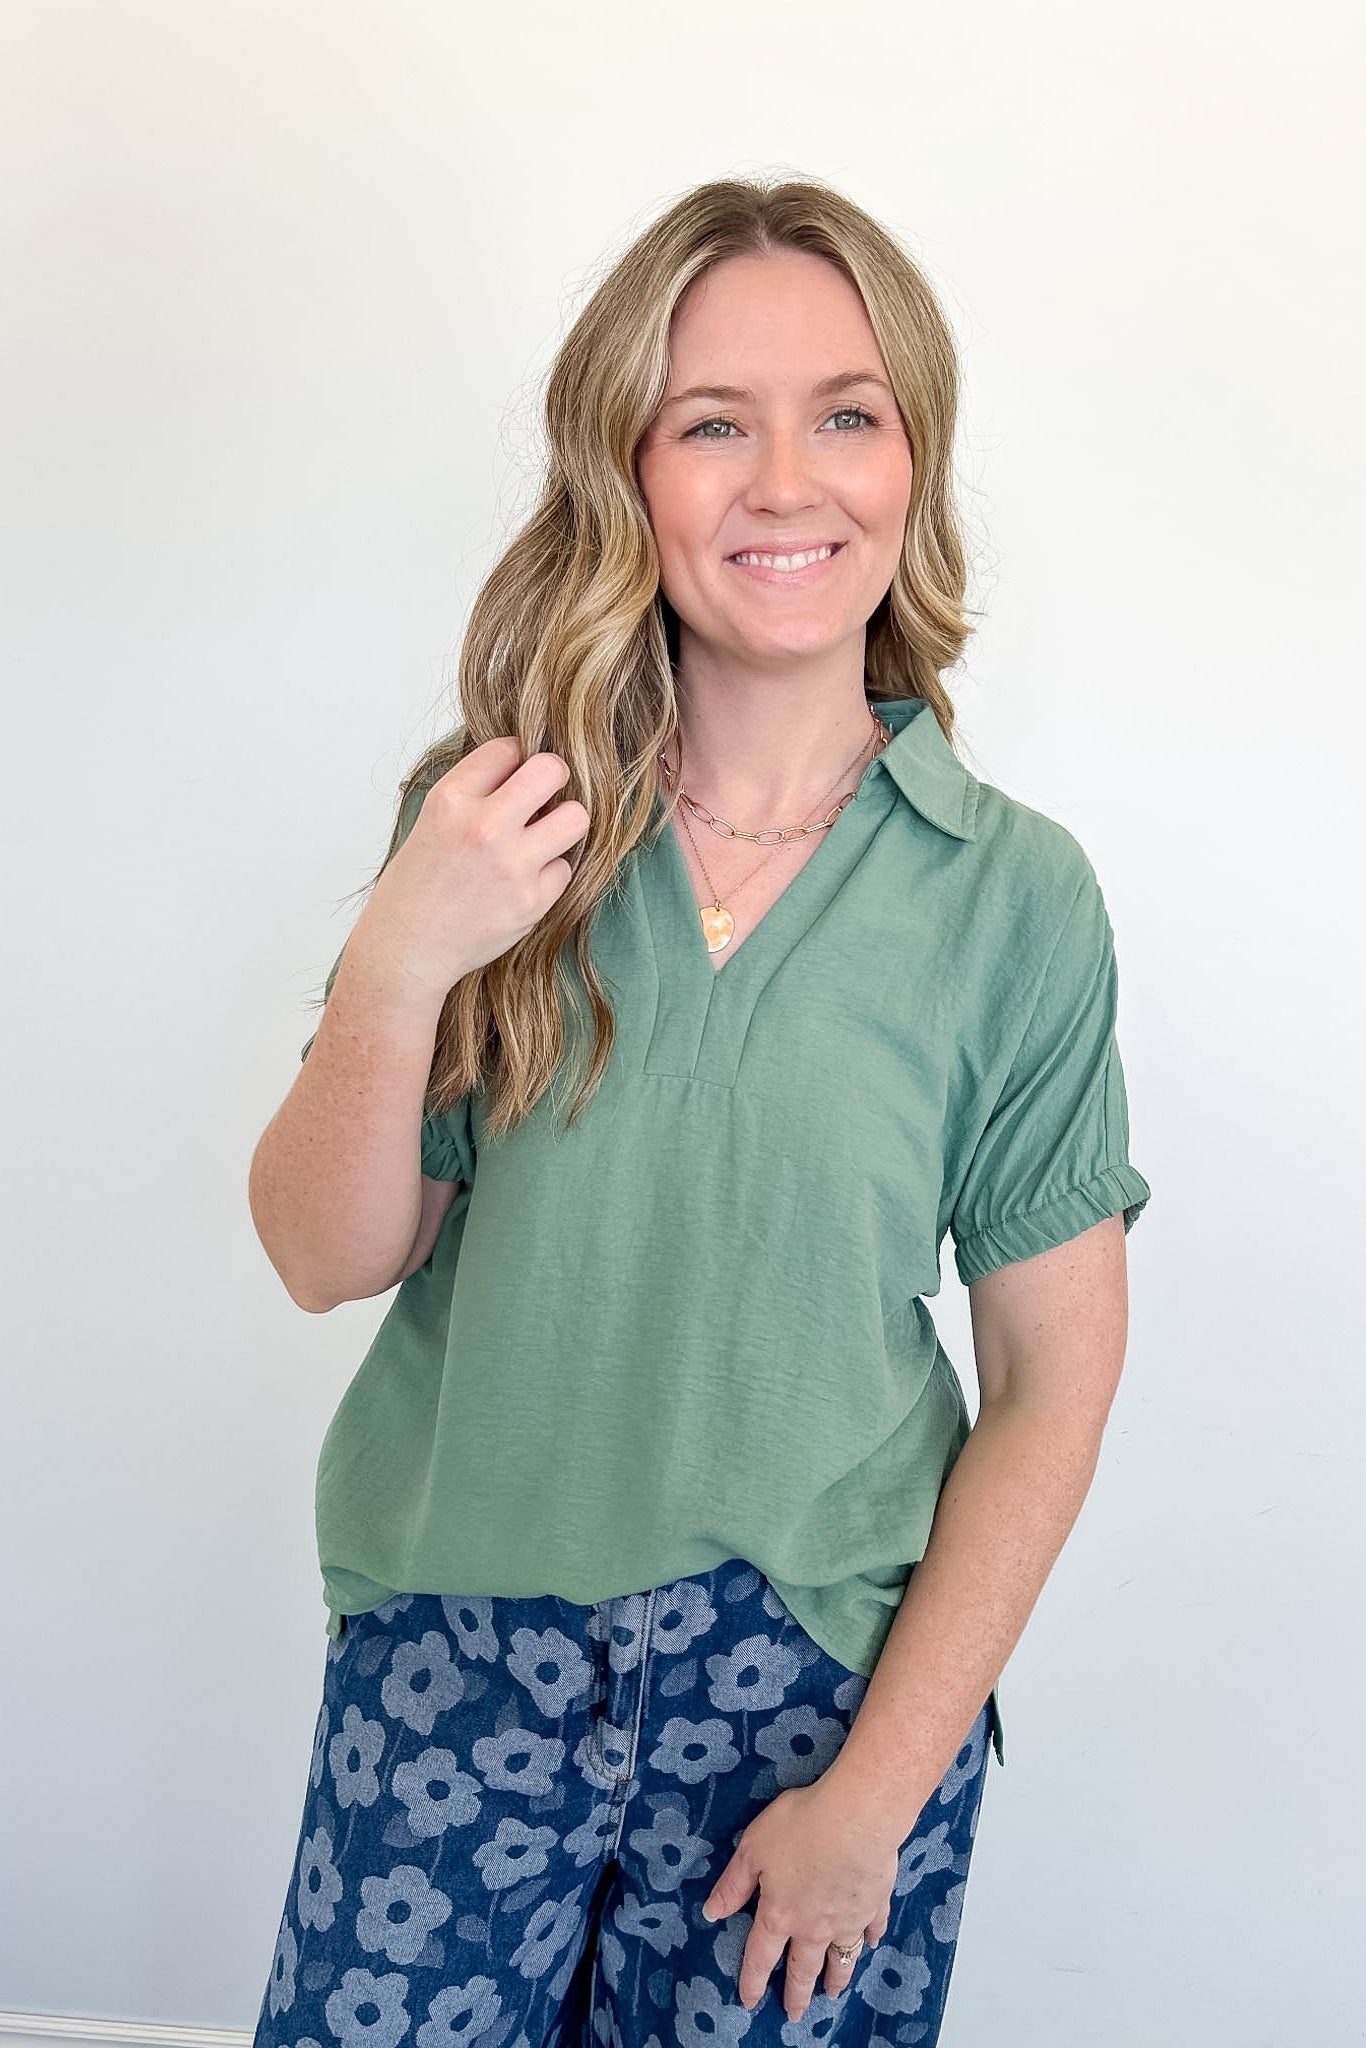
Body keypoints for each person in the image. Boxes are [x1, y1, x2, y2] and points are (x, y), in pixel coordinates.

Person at [248, 175, 1151, 2047]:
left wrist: (876, 1797)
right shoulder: (491, 818)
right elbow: (322, 1257)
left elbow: (1052, 1385)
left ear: (913, 458)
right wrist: (400, 960)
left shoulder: (1013, 897)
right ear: (626, 473)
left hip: (810, 1696)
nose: (783, 482)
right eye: (709, 424)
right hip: (454, 1658)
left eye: (845, 413)